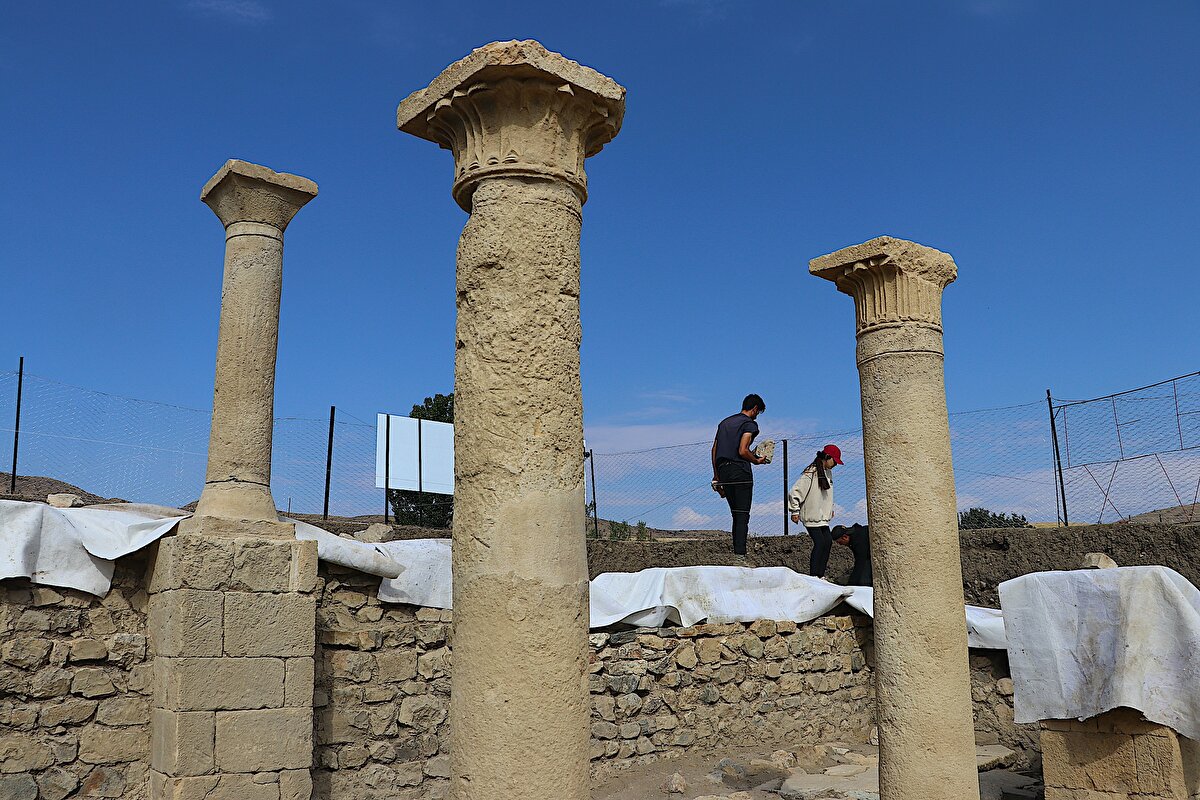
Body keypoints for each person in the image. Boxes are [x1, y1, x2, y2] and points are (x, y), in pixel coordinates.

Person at [711, 394, 767, 556]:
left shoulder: (724, 423)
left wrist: (717, 476)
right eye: (758, 412)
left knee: (735, 514)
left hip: (723, 471)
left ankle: (738, 553)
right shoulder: (750, 424)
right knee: (742, 515)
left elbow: (714, 450)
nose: (757, 416)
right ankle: (740, 555)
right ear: (755, 409)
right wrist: (756, 460)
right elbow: (743, 450)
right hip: (740, 471)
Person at [788, 444, 843, 580]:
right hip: (811, 516)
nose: (835, 464)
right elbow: (796, 491)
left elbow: (827, 495)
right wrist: (794, 510)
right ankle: (814, 576)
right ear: (827, 457)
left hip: (822, 516)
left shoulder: (827, 472)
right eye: (834, 461)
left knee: (828, 542)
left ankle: (821, 575)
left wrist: (830, 509)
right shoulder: (811, 472)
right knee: (819, 543)